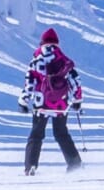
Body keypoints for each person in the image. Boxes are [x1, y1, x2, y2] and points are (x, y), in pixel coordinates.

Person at [20, 26, 85, 174]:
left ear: (41, 43)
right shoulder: (64, 61)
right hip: (60, 104)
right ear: (56, 43)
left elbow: (30, 83)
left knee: (36, 134)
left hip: (40, 103)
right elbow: (76, 81)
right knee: (61, 133)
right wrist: (77, 100)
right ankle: (74, 163)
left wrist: (23, 101)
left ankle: (30, 166)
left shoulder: (36, 61)